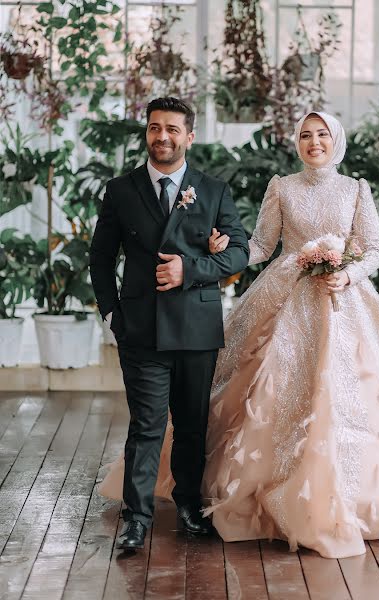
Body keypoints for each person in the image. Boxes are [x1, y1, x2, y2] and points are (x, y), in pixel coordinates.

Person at [98, 110, 379, 559]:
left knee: (356, 394)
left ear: (335, 140)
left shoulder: (357, 189)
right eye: (305, 135)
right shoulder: (282, 186)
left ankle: (352, 495)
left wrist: (350, 274)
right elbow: (259, 246)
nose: (313, 142)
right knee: (257, 390)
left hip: (343, 300)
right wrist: (218, 247)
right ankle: (195, 499)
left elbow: (374, 248)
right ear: (296, 142)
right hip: (286, 291)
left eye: (321, 135)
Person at [89, 97, 249, 550]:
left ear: (189, 136)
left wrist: (192, 268)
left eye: (173, 129)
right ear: (148, 133)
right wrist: (110, 311)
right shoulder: (122, 190)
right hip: (139, 328)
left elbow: (239, 251)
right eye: (155, 128)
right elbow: (101, 258)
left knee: (193, 424)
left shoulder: (213, 190)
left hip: (196, 328)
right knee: (146, 424)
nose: (163, 136)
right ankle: (136, 517)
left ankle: (188, 506)